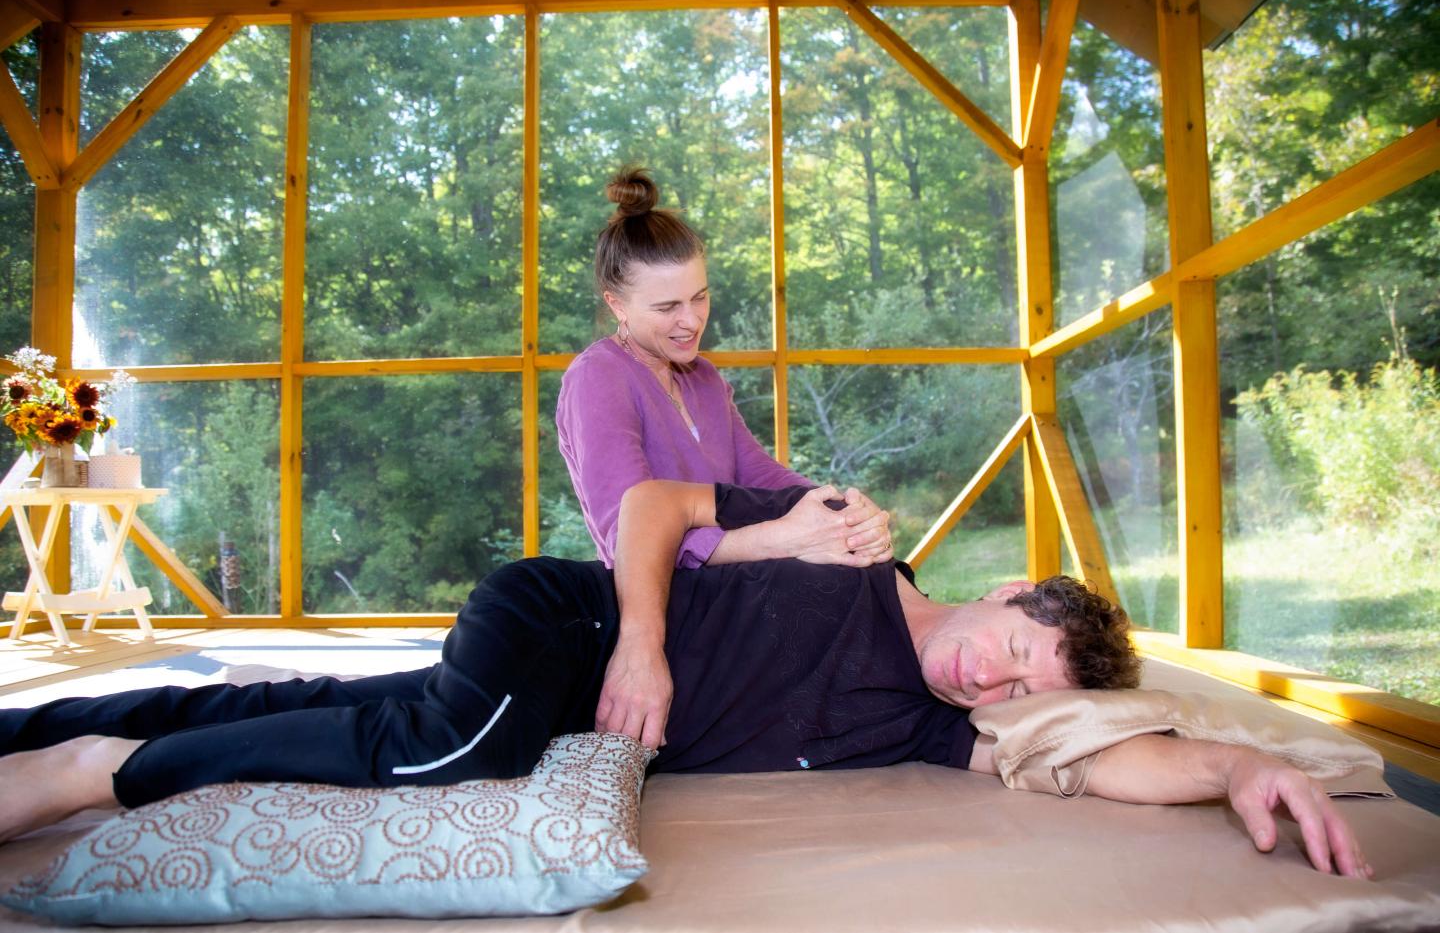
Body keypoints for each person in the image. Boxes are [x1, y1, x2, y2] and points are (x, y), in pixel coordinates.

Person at [0, 481, 1369, 879]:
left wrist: (1245, 763)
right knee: (434, 749)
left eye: (1022, 692)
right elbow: (655, 501)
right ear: (1004, 593)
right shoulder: (850, 544)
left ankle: (41, 727)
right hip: (563, 622)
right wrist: (646, 643)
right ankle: (88, 779)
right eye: (1012, 649)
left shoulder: (931, 723)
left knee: (312, 713)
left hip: (542, 688)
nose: (993, 684)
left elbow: (1105, 760)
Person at [556, 166, 892, 572]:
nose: (692, 321)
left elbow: (758, 475)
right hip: (665, 600)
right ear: (617, 305)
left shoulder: (704, 377)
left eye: (699, 298)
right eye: (667, 308)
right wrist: (776, 539)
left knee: (858, 566)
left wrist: (840, 510)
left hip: (735, 582)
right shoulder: (597, 378)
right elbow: (627, 536)